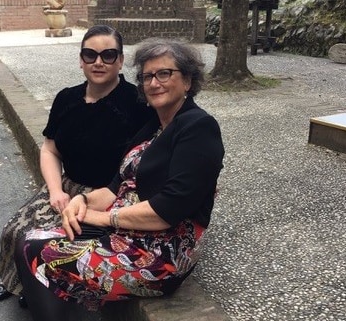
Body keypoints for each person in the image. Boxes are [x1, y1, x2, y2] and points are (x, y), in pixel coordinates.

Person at [15, 38, 225, 321]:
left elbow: (168, 210)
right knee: (27, 239)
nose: (154, 83)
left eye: (164, 73)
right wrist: (83, 200)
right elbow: (116, 186)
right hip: (127, 231)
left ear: (187, 80)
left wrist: (100, 218)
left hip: (161, 250)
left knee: (41, 252)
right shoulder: (155, 125)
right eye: (148, 76)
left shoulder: (199, 127)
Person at [0, 25, 154, 304]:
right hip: (67, 185)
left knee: (48, 240)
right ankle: (19, 282)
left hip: (106, 194)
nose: (98, 62)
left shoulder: (138, 104)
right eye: (90, 55)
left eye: (108, 55)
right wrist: (55, 191)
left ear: (121, 60)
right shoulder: (66, 98)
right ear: (81, 60)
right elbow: (50, 149)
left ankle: (39, 285)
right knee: (14, 230)